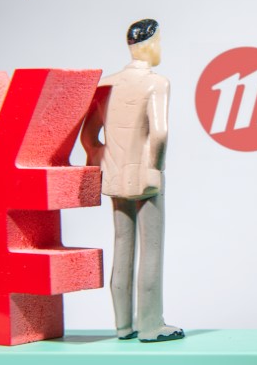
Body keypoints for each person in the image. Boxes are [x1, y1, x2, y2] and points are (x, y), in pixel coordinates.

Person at [81, 19, 184, 342]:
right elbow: (160, 132)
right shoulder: (156, 83)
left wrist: (100, 157)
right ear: (148, 44)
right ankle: (151, 325)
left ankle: (123, 324)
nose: (160, 48)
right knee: (151, 250)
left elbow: (88, 135)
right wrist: (155, 168)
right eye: (158, 41)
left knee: (122, 246)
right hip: (144, 175)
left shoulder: (107, 85)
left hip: (115, 174)